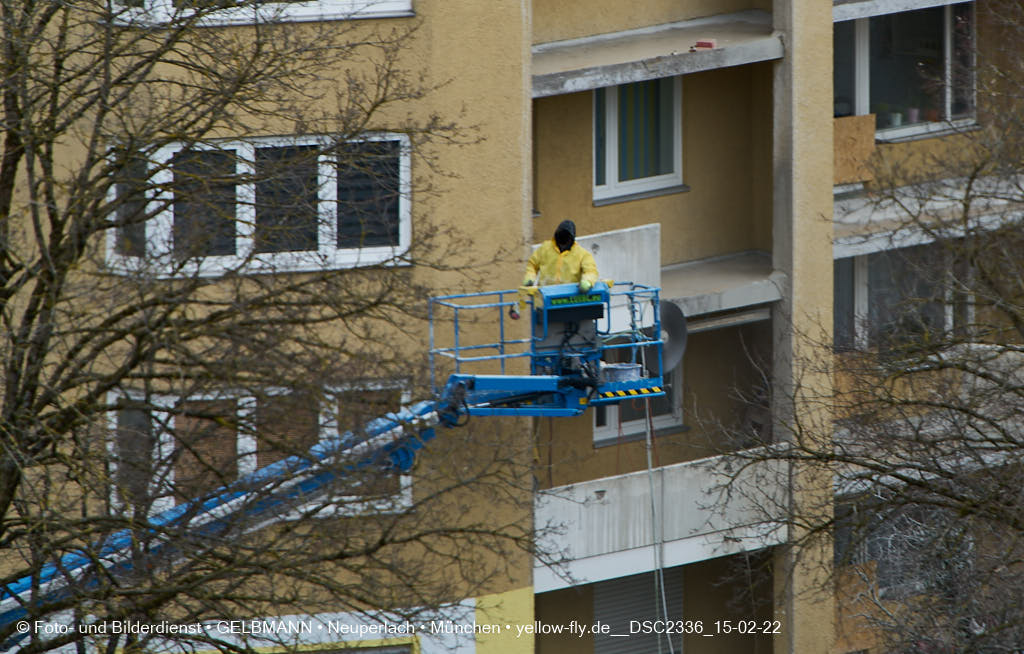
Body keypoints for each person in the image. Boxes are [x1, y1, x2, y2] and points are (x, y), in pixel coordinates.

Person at [510, 220, 598, 319]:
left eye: (566, 238)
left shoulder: (582, 254)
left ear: (572, 239)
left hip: (570, 301)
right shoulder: (545, 248)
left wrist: (587, 282)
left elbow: (590, 270)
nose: (563, 242)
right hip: (545, 300)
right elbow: (532, 264)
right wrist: (530, 277)